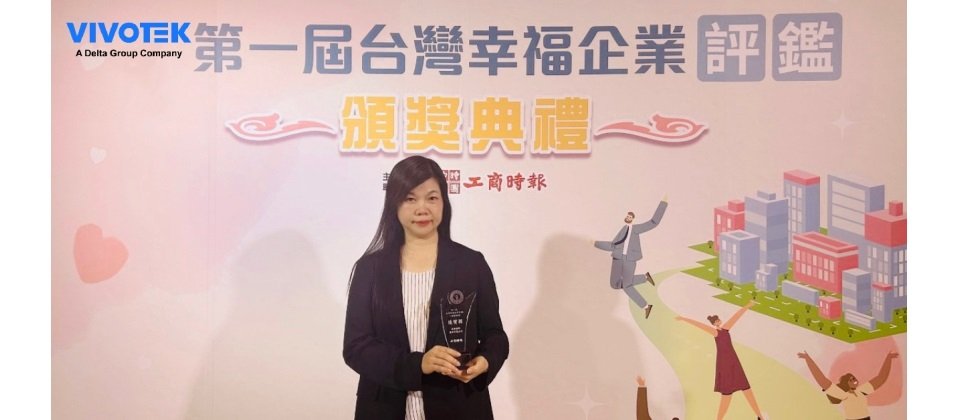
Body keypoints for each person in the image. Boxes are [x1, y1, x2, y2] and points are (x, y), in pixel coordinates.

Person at [343, 156, 509, 420]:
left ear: (444, 202)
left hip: (458, 406)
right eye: (410, 199)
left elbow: (495, 335)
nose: (422, 208)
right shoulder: (369, 269)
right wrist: (418, 364)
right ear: (394, 205)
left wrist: (486, 360)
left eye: (432, 198)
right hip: (385, 408)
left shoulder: (471, 264)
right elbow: (356, 347)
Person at [675, 301, 765, 420]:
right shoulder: (715, 332)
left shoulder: (725, 329)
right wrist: (684, 319)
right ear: (714, 324)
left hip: (734, 362)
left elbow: (735, 317)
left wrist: (747, 306)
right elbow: (700, 325)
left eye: (718, 320)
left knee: (746, 389)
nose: (718, 322)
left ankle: (760, 416)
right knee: (727, 395)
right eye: (716, 321)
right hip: (725, 364)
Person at [593, 198, 668, 318]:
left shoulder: (636, 229)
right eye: (627, 216)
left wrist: (663, 203)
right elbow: (613, 245)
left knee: (627, 286)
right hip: (617, 258)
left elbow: (653, 222)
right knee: (614, 284)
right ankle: (644, 277)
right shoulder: (623, 229)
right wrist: (596, 243)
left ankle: (646, 306)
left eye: (630, 217)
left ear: (633, 219)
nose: (628, 218)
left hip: (630, 260)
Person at [797, 350, 899, 420]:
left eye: (854, 378)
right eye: (851, 379)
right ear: (846, 383)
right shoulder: (843, 395)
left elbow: (881, 378)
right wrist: (808, 359)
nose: (855, 380)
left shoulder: (862, 391)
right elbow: (822, 380)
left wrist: (888, 359)